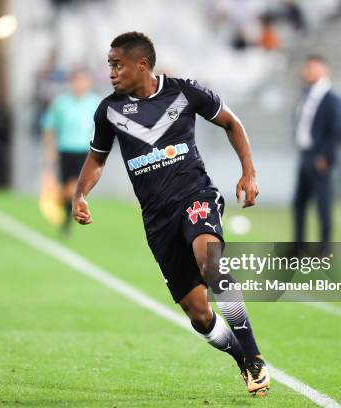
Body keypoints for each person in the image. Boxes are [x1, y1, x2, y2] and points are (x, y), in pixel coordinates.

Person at [72, 32, 270, 396]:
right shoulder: (109, 111)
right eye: (109, 65)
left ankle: (255, 355)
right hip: (156, 219)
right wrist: (80, 194)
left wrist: (249, 172)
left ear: (142, 64)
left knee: (209, 261)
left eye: (118, 65)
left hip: (195, 195)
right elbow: (97, 159)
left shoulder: (185, 92)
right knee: (199, 314)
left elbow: (232, 122)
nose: (111, 72)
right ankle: (241, 358)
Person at [293, 55, 341, 254]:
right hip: (306, 155)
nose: (307, 71)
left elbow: (338, 130)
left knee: (323, 204)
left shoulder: (332, 98)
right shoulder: (307, 96)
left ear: (325, 70)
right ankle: (298, 247)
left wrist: (326, 156)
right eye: (306, 67)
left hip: (319, 157)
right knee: (299, 203)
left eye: (312, 67)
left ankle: (324, 249)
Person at [41, 69, 100, 232]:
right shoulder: (61, 103)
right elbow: (50, 126)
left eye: (84, 81)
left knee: (74, 187)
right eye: (77, 80)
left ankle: (66, 215)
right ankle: (66, 217)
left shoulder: (95, 103)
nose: (80, 84)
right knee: (66, 187)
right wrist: (48, 150)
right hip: (65, 149)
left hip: (84, 151)